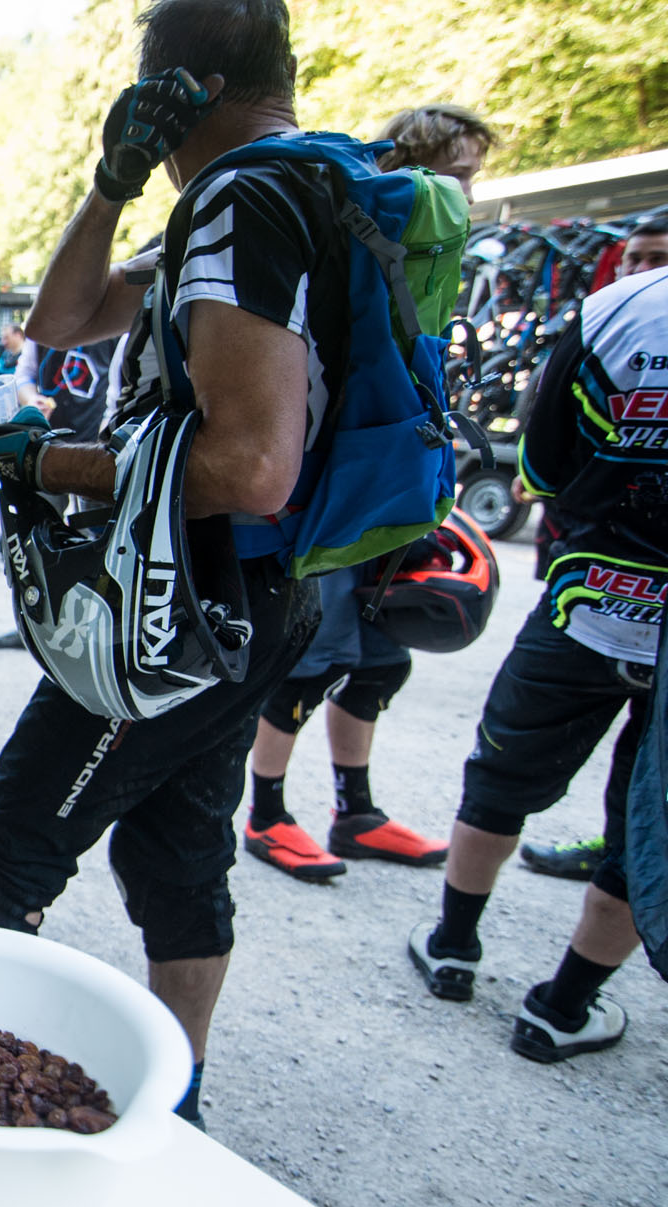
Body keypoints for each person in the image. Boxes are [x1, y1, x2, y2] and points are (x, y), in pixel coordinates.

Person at [0, 0, 359, 1128]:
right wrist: (112, 181)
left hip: (192, 597)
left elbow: (250, 465)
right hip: (265, 595)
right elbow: (61, 319)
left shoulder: (239, 199)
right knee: (178, 857)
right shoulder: (297, 187)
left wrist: (44, 460)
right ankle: (179, 1111)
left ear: (176, 88)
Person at [407, 255, 668, 1065]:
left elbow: (542, 468)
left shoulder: (622, 310)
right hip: (603, 609)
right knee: (648, 829)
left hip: (587, 601)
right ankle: (563, 1007)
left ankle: (453, 947)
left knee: (501, 779)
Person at [239, 103, 494, 882]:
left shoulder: (428, 251)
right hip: (339, 482)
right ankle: (266, 813)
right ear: (414, 167)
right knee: (313, 660)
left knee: (382, 659)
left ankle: (356, 812)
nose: (469, 194)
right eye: (459, 175)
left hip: (393, 477)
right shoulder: (356, 231)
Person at [515, 215, 668, 880]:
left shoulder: (607, 321)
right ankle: (614, 854)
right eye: (635, 258)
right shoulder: (604, 320)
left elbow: (543, 465)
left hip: (601, 589)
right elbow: (540, 461)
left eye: (658, 258)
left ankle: (618, 856)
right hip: (587, 583)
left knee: (646, 788)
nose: (643, 271)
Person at [0, 330, 124, 650]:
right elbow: (24, 375)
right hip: (47, 450)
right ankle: (34, 623)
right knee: (30, 542)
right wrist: (31, 399)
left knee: (102, 544)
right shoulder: (44, 327)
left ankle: (98, 627)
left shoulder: (112, 327)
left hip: (99, 451)